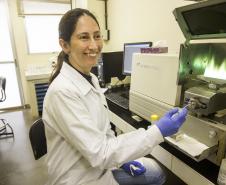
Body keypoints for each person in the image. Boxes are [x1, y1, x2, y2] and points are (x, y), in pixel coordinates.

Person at [42, 8, 188, 185]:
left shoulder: (91, 78)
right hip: (80, 178)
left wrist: (124, 160)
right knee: (156, 173)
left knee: (155, 171)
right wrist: (157, 131)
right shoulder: (62, 92)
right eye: (84, 37)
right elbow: (101, 154)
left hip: (99, 168)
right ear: (65, 45)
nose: (94, 45)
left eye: (97, 36)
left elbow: (105, 134)